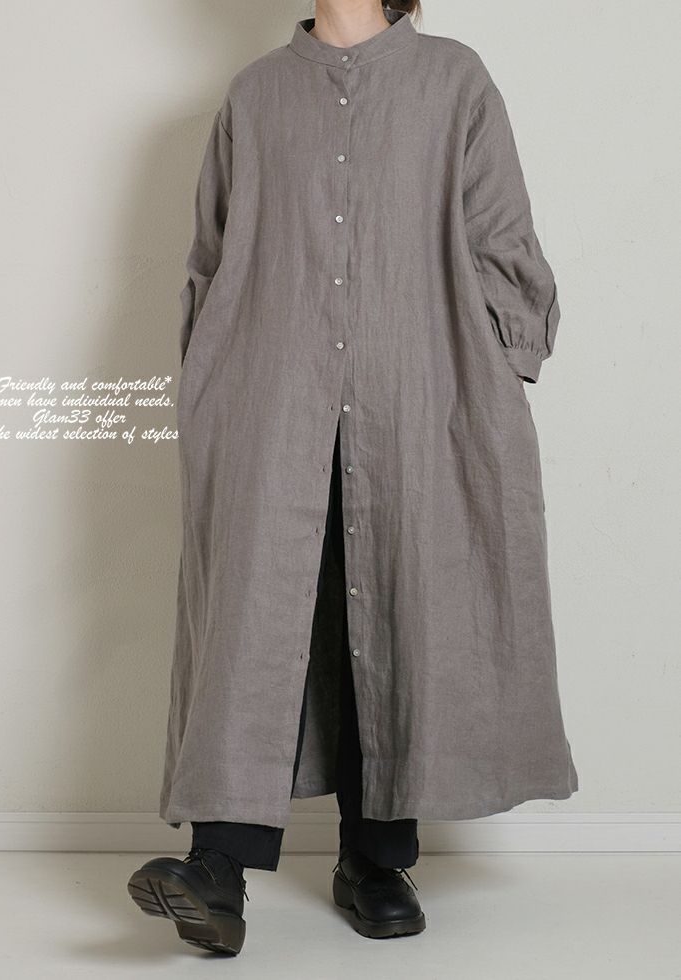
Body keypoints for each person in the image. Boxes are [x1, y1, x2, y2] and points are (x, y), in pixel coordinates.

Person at [128, 0, 578, 956]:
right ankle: (216, 872)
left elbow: (505, 244)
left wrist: (480, 378)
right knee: (256, 618)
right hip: (270, 405)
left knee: (393, 605)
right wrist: (210, 390)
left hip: (421, 404)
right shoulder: (254, 98)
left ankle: (374, 860)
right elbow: (211, 262)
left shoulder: (454, 81)